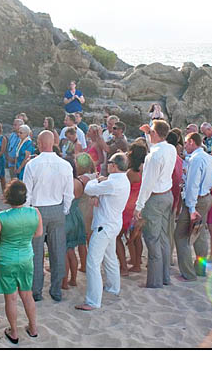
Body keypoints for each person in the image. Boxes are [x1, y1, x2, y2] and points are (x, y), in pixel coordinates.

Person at [22, 130, 74, 302]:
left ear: (40, 143)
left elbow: (27, 193)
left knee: (36, 252)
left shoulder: (32, 165)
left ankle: (37, 291)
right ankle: (56, 289)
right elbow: (69, 193)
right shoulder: (65, 165)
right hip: (57, 208)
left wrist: (27, 211)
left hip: (37, 209)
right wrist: (64, 210)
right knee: (57, 250)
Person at [75, 152, 131, 311]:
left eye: (110, 163)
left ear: (114, 166)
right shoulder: (121, 180)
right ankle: (113, 287)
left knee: (92, 262)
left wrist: (94, 179)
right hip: (112, 223)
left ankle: (93, 301)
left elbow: (89, 189)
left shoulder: (112, 183)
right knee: (110, 257)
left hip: (104, 225)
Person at [0, 180, 42, 343]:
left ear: (8, 197)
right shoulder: (35, 212)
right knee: (27, 295)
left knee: (10, 298)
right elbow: (38, 233)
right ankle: (33, 328)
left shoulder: (2, 217)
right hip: (26, 257)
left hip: (6, 259)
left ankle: (14, 332)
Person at [133, 120, 177, 288]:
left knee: (152, 239)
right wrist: (147, 133)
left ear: (156, 133)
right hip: (167, 195)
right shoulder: (170, 148)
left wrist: (139, 206)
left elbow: (147, 183)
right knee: (164, 238)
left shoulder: (153, 156)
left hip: (155, 198)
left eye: (151, 131)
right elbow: (156, 148)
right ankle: (165, 276)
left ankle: (155, 281)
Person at [174, 132, 212, 281]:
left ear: (192, 142)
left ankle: (188, 273)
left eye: (186, 143)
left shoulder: (196, 159)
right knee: (199, 233)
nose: (184, 146)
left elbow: (193, 186)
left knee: (180, 236)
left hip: (196, 200)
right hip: (206, 198)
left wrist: (191, 208)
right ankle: (200, 269)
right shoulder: (209, 158)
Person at [117, 141, 147, 276]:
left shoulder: (130, 173)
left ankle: (123, 267)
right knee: (136, 237)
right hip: (139, 206)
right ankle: (136, 263)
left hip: (128, 208)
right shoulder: (145, 170)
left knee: (118, 237)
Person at [62, 155, 88, 290]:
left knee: (66, 251)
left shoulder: (65, 183)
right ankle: (73, 279)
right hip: (77, 215)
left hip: (66, 217)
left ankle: (64, 282)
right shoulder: (79, 181)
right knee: (72, 249)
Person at [164, 131, 184, 266]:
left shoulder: (168, 159)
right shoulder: (179, 160)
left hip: (167, 198)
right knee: (169, 231)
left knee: (165, 232)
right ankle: (168, 257)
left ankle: (166, 258)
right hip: (173, 199)